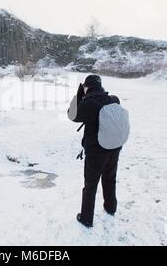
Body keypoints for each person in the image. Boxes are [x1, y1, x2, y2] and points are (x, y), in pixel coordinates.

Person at [68, 75, 122, 228]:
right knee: (110, 178)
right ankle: (111, 207)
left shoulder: (89, 104)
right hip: (114, 147)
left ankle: (86, 218)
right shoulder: (112, 100)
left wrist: (78, 95)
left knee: (90, 185)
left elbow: (72, 115)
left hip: (97, 152)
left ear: (87, 87)